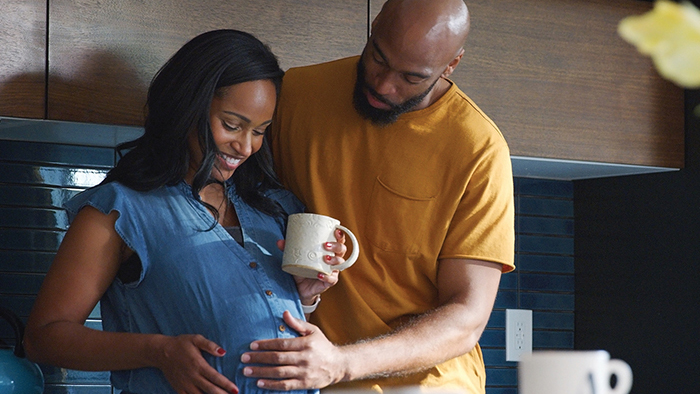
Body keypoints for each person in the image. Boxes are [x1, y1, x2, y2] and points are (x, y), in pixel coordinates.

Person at [23, 29, 347, 394]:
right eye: (231, 124)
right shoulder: (120, 210)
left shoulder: (272, 206)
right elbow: (44, 337)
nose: (245, 146)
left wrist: (305, 295)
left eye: (260, 131)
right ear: (188, 105)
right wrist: (159, 351)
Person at [240, 0, 515, 393]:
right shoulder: (297, 94)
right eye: (378, 58)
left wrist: (342, 363)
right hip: (303, 368)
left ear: (450, 65)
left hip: (424, 380)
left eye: (412, 77)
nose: (384, 85)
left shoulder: (478, 150)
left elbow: (467, 316)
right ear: (373, 29)